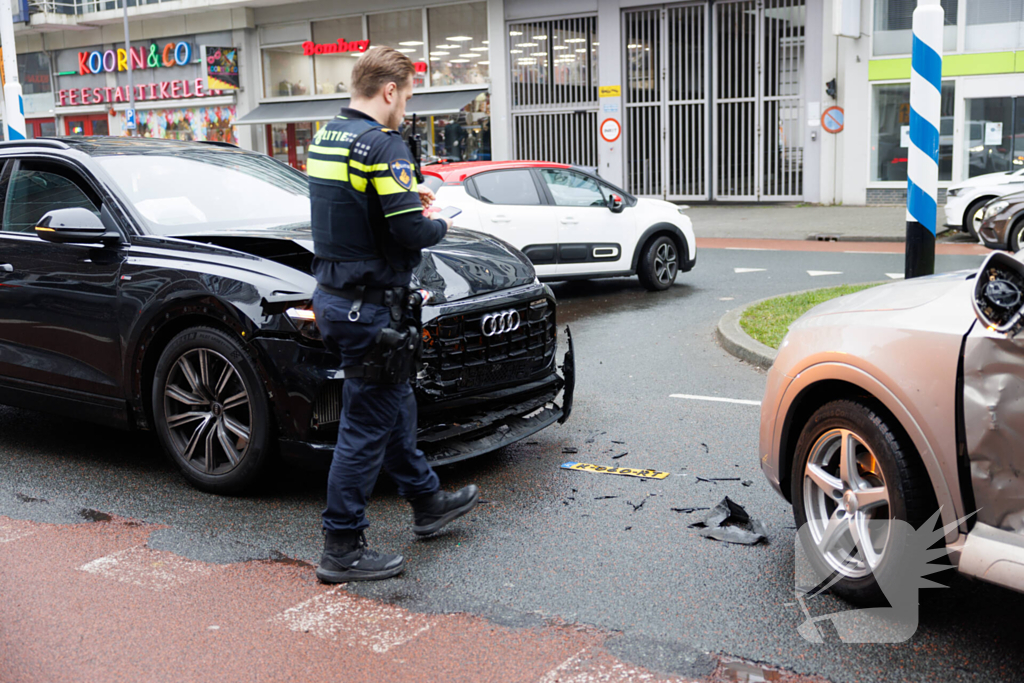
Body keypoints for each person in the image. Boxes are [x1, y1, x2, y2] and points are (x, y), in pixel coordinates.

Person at [307, 46, 480, 583]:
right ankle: (341, 546)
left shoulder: (326, 136)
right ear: (389, 92)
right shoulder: (382, 146)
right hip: (372, 308)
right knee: (364, 427)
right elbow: (409, 229)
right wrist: (440, 220)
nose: (406, 106)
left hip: (338, 296)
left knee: (393, 406)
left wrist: (403, 202)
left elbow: (356, 213)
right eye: (406, 96)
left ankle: (428, 502)